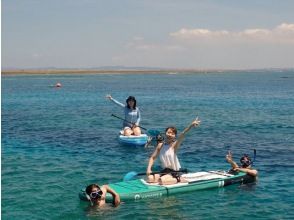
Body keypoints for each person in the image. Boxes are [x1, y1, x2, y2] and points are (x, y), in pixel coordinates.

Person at [146, 118, 201, 185]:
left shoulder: (174, 145)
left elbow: (183, 134)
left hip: (174, 172)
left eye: (172, 133)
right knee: (150, 178)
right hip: (165, 171)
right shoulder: (160, 145)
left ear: (174, 136)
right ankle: (167, 178)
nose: (170, 134)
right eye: (168, 132)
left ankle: (178, 179)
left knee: (161, 181)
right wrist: (149, 169)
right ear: (165, 133)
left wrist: (191, 125)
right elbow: (152, 158)